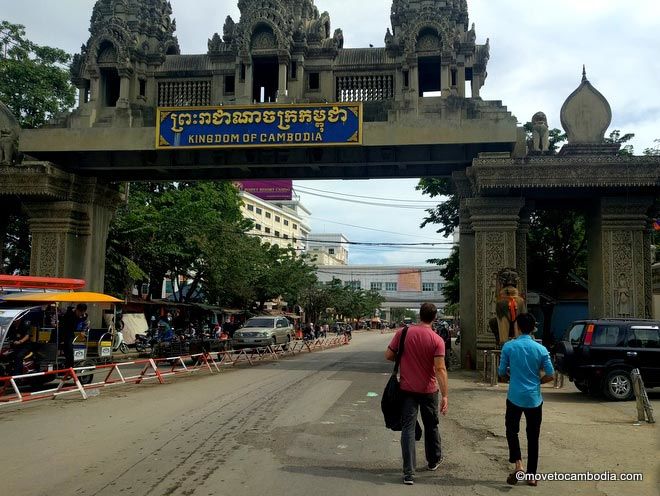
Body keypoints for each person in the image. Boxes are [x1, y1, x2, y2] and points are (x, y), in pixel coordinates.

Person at [385, 302, 449, 485]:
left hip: (406, 390)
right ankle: (433, 460)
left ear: (419, 315)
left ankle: (408, 473)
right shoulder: (437, 339)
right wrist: (445, 395)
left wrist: (405, 357)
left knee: (408, 429)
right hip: (429, 391)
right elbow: (440, 369)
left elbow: (388, 355)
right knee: (431, 426)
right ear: (434, 317)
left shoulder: (403, 333)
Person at [498, 313, 555, 487]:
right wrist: (538, 381)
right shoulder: (541, 349)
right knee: (533, 436)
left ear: (518, 327)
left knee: (511, 430)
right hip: (534, 399)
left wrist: (511, 376)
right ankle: (531, 475)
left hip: (514, 396)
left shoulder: (509, 347)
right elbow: (551, 375)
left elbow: (501, 373)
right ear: (532, 329)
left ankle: (518, 464)